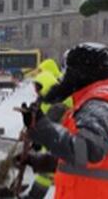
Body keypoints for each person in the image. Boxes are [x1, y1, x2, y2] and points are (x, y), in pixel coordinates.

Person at [19, 43, 108, 199]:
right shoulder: (100, 101)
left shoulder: (100, 105)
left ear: (80, 74)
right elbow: (102, 162)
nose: (63, 78)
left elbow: (87, 152)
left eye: (67, 71)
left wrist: (42, 128)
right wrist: (49, 162)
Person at [24, 64, 71, 199]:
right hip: (48, 140)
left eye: (38, 87)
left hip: (55, 140)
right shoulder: (42, 100)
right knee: (47, 171)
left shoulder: (57, 104)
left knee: (46, 173)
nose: (36, 90)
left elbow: (51, 123)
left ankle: (35, 196)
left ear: (45, 86)